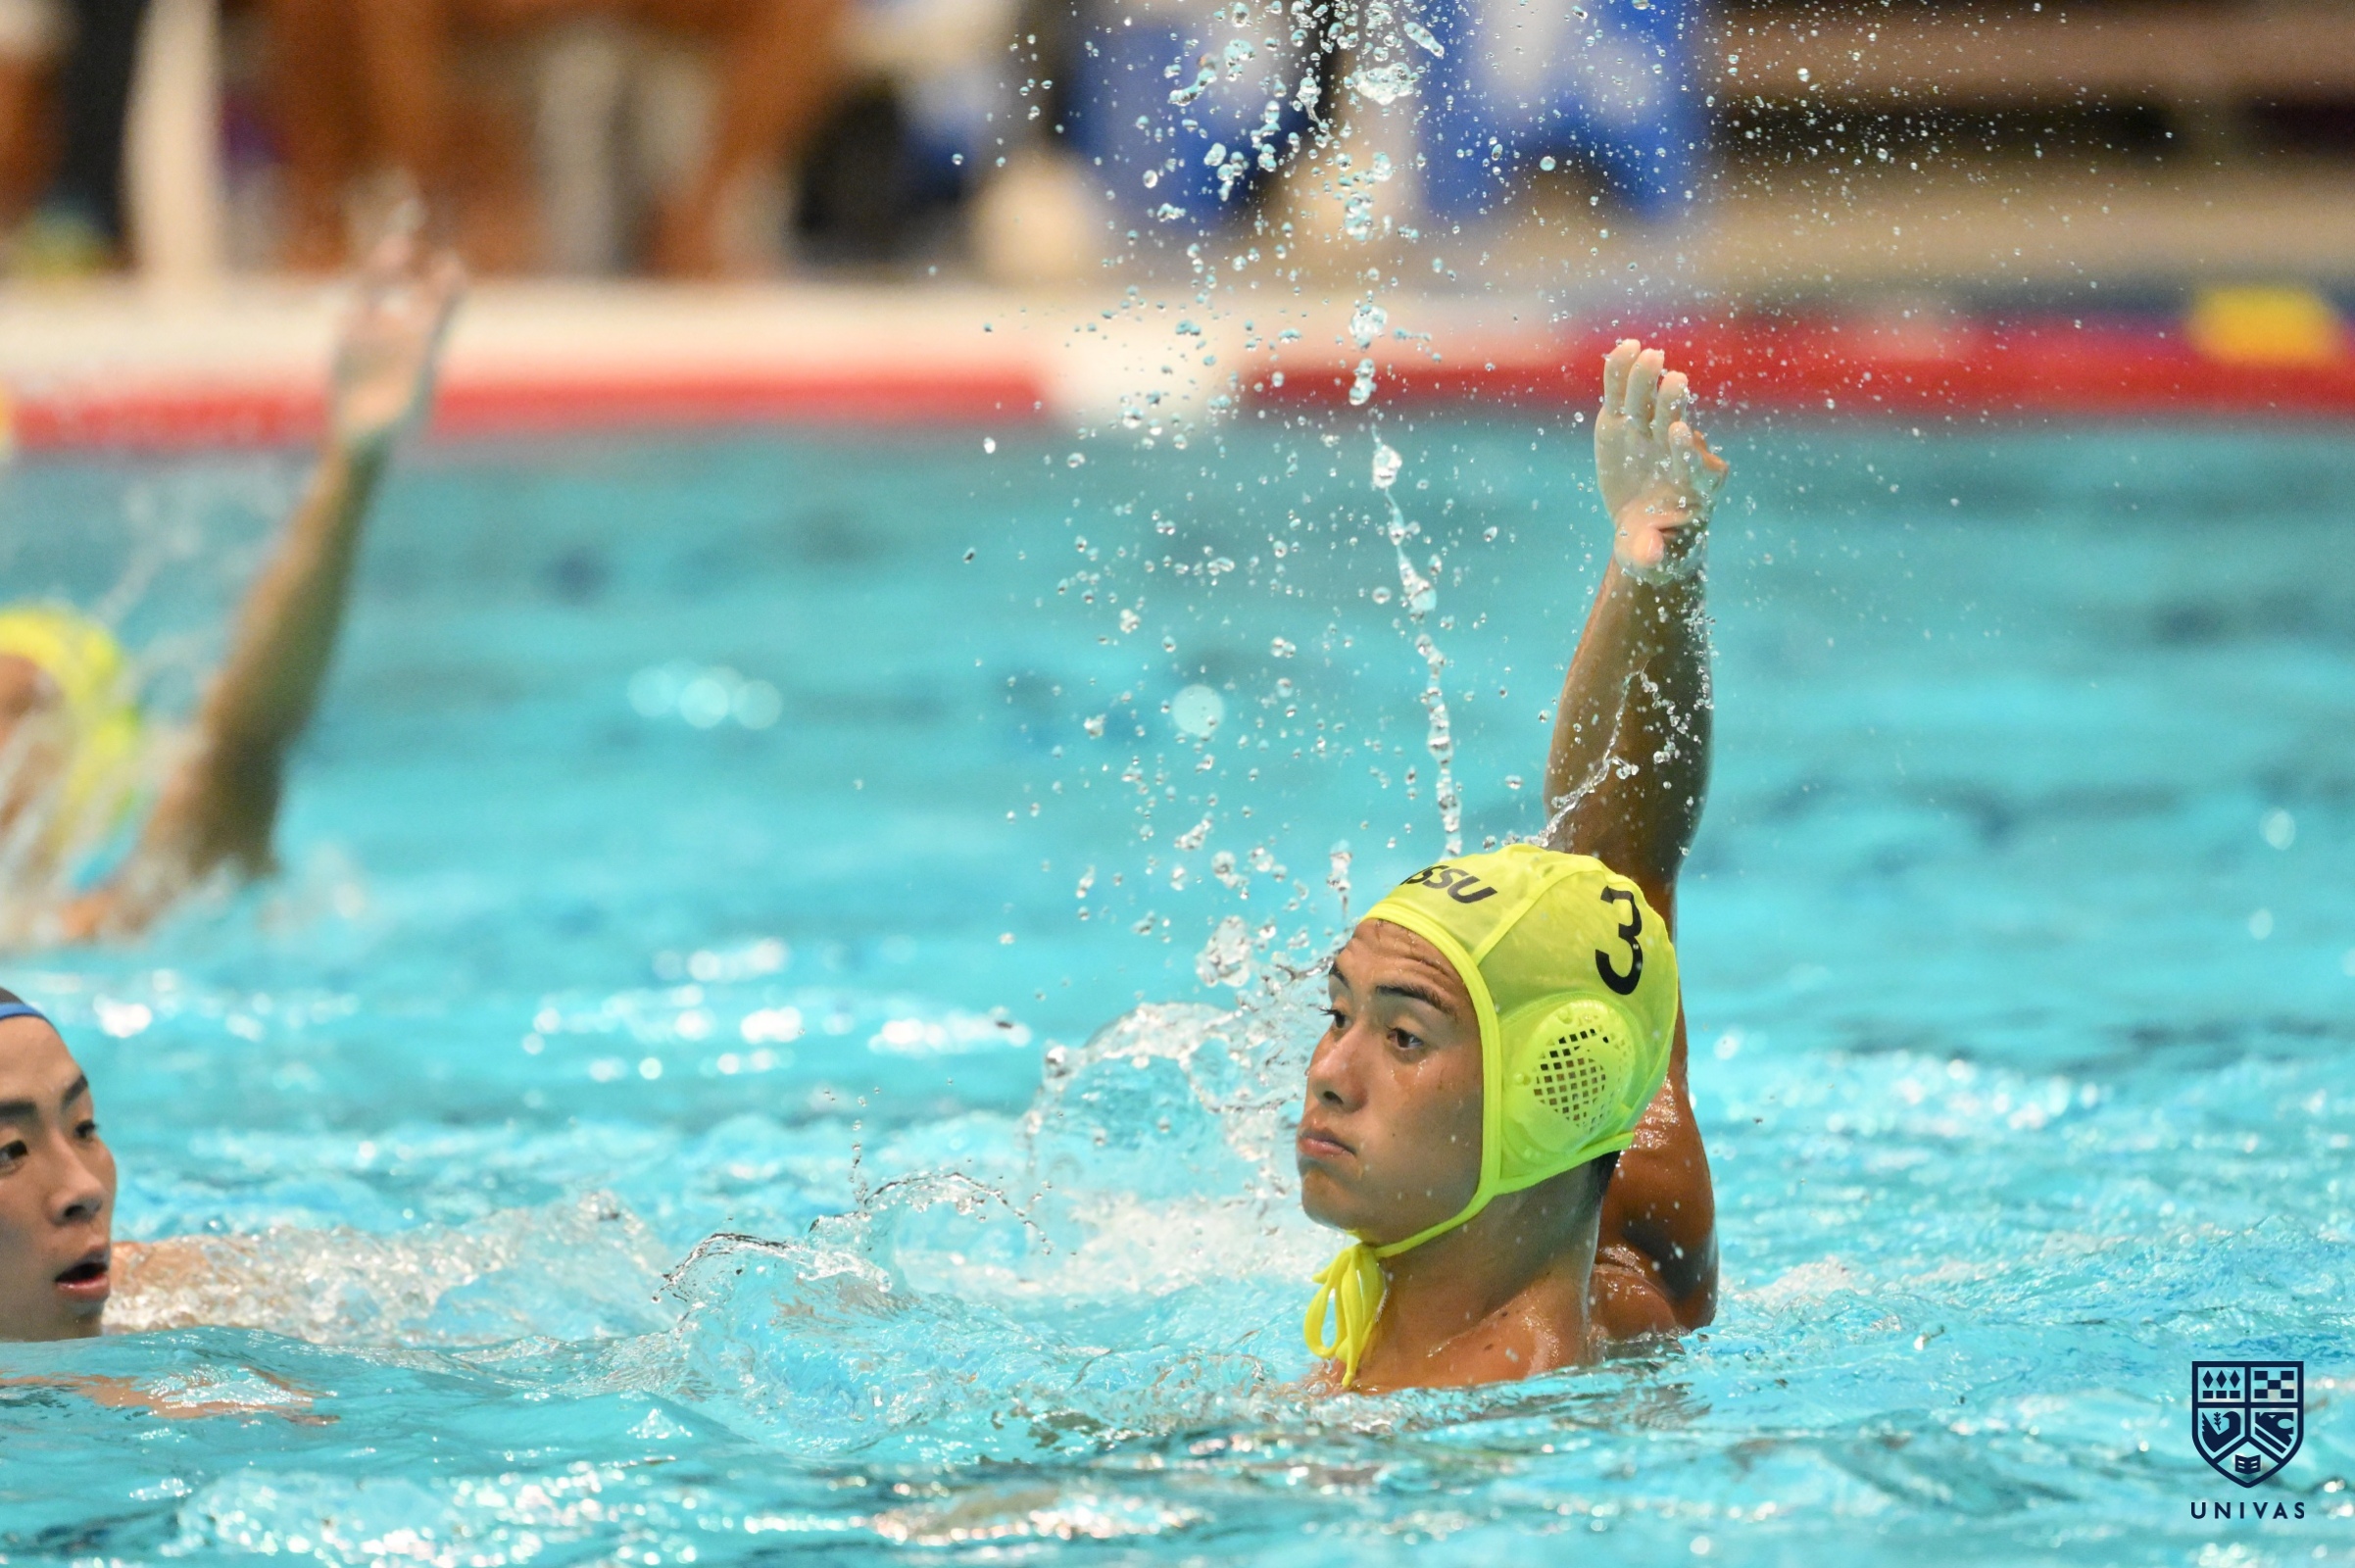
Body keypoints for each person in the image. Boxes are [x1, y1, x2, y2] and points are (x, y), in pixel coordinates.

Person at [1298, 339, 1726, 1392]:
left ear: (1547, 1093)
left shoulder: (1453, 1428)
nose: (1329, 1075)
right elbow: (1620, 868)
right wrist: (1650, 568)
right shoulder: (1635, 1244)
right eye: (1338, 1013)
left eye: (1404, 1036)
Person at [0, 222, 463, 944]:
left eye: (17, 708)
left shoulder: (94, 929)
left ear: (77, 776)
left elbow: (246, 741)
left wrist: (352, 467)